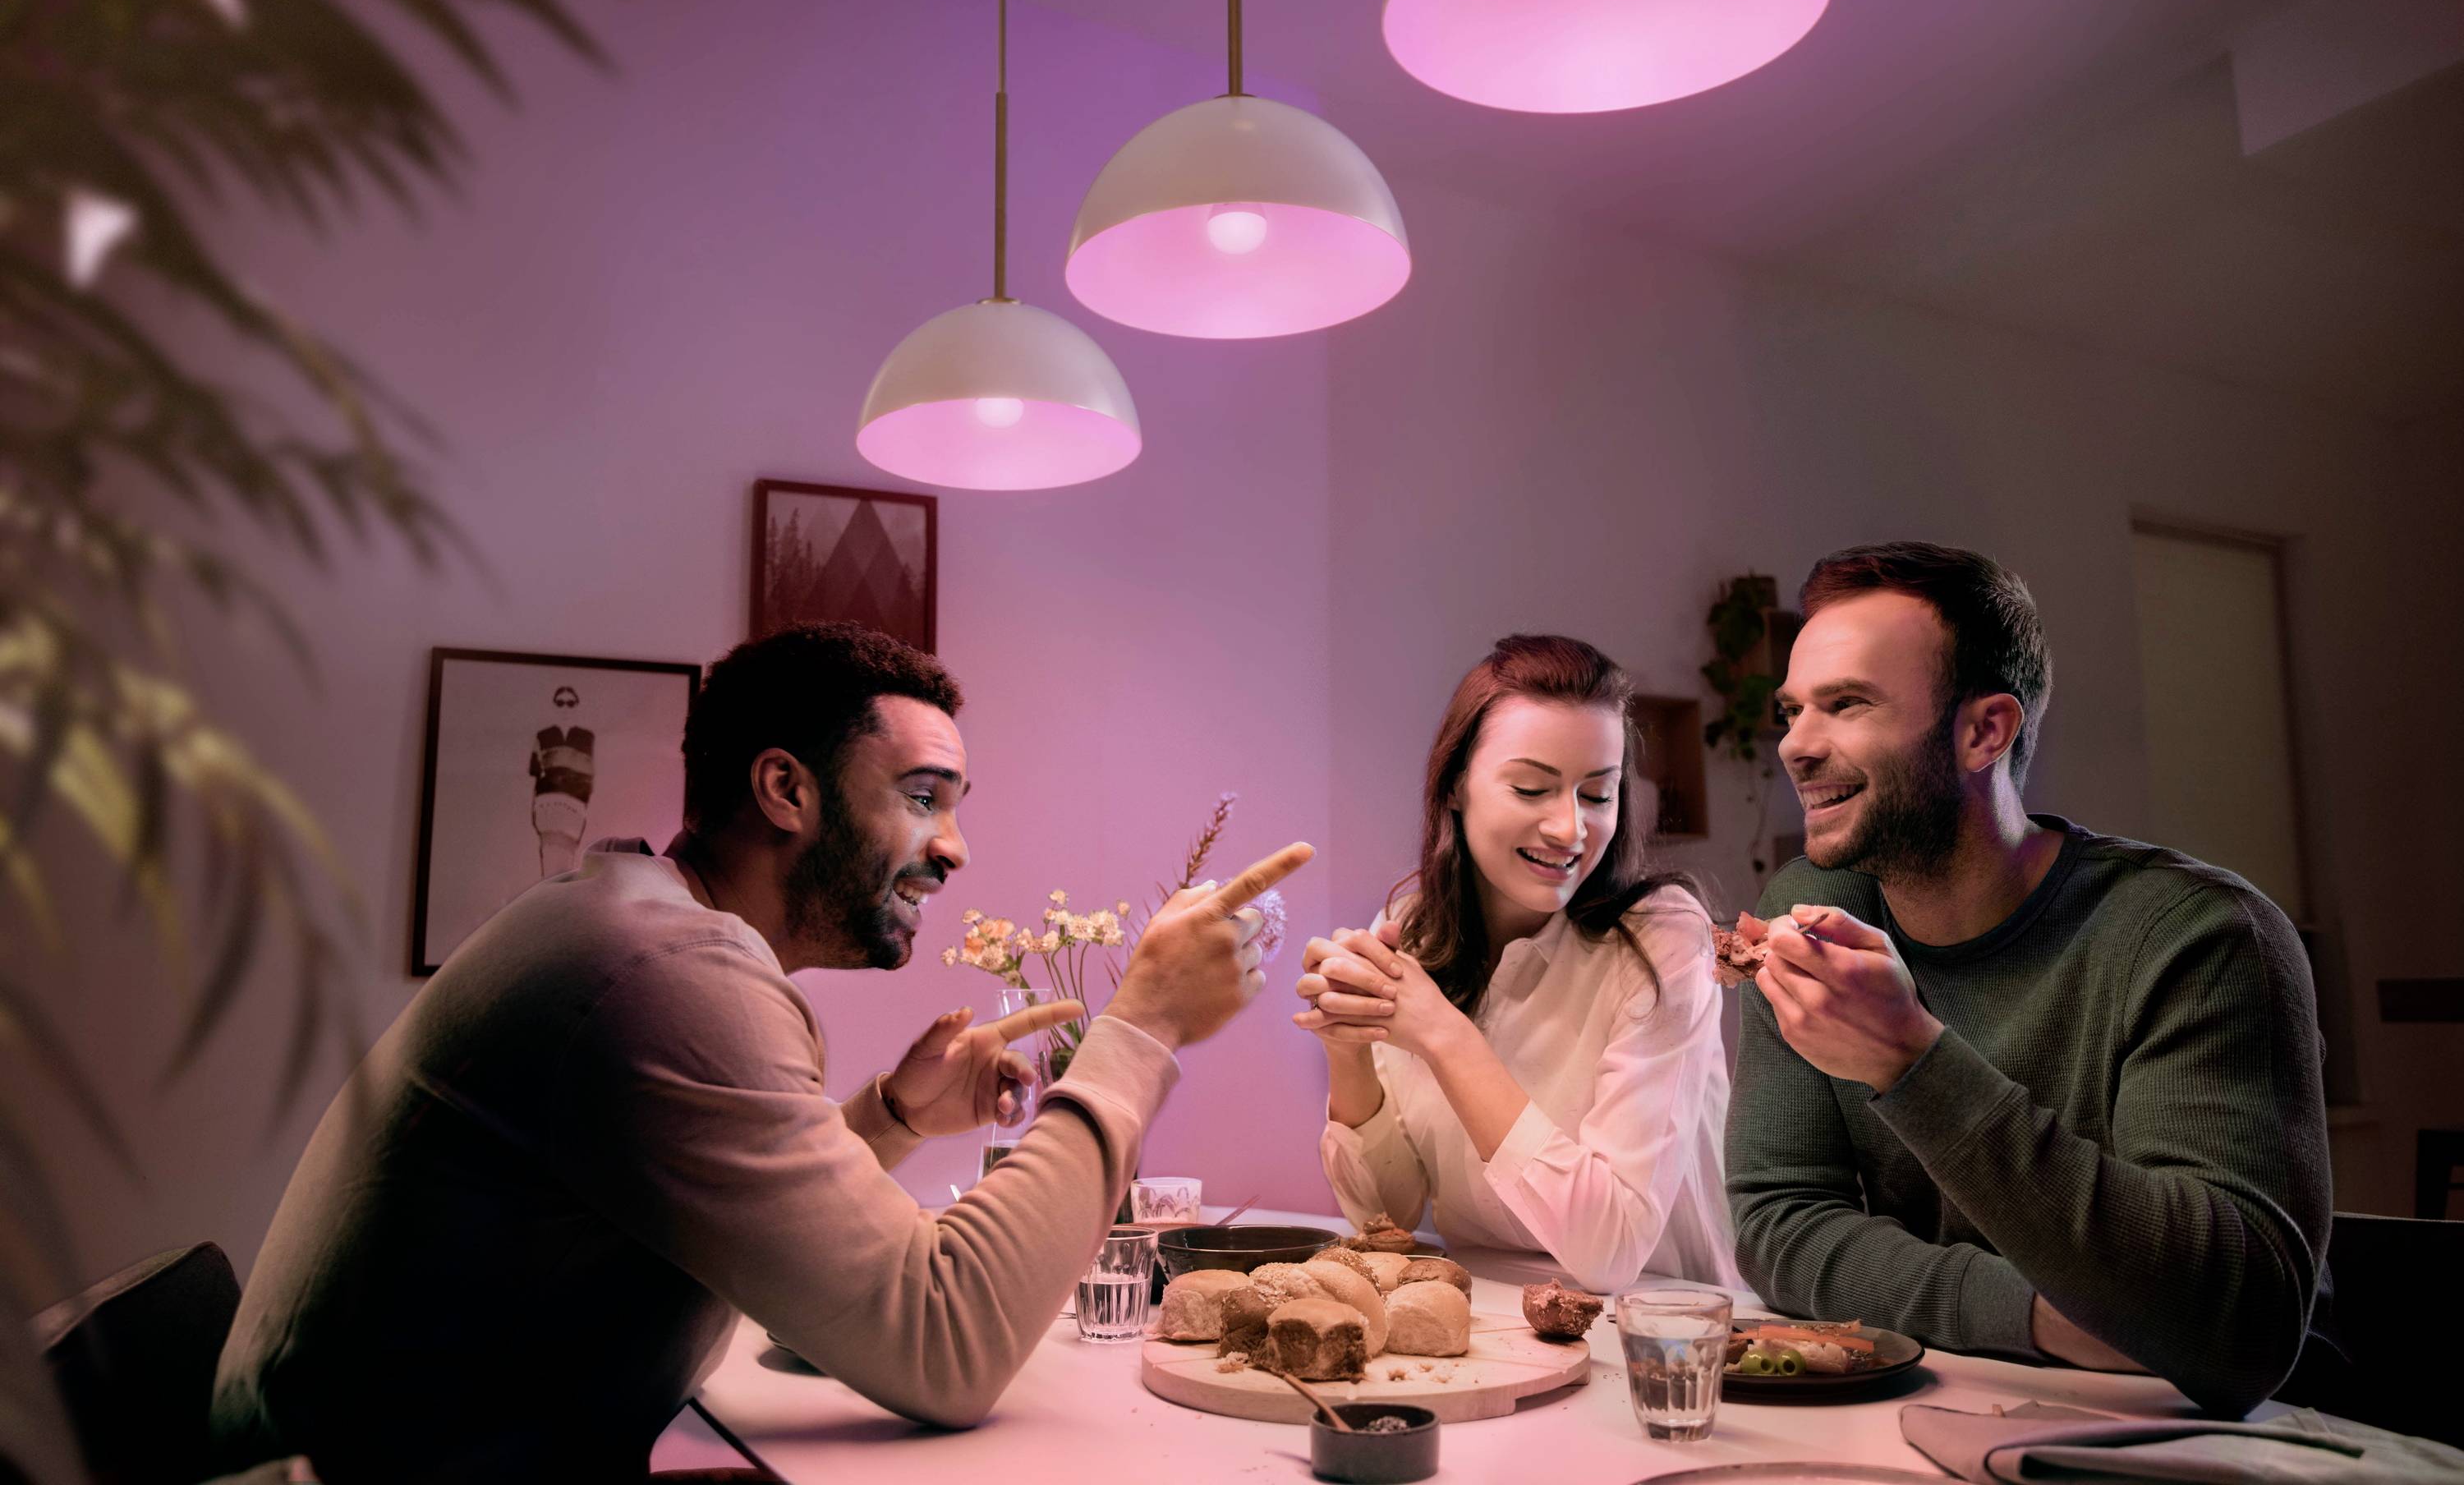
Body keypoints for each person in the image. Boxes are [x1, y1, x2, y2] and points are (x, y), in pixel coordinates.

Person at [212, 623, 1311, 1482]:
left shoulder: (617, 918)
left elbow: (700, 1224)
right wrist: (1140, 1028)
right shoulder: (663, 973)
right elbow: (948, 1345)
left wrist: (891, 1120)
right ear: (786, 789)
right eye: (923, 799)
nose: (956, 849)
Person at [1726, 542, 2329, 1416]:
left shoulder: (2199, 937)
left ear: (1984, 730)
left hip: (2238, 1438)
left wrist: (1912, 1061)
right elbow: (1779, 1223)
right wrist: (2042, 1311)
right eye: (1793, 710)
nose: (1796, 746)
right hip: (1968, 1402)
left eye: (1847, 704)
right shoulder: (1816, 905)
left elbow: (2239, 1329)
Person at [1294, 635, 1739, 1294]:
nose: (1570, 828)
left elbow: (1610, 1250)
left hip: (1655, 1338)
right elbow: (1387, 1219)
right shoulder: (1415, 932)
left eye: (1597, 795)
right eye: (1532, 788)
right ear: (1455, 788)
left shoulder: (1663, 939)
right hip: (1487, 1327)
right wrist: (1347, 1052)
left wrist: (1445, 1037)